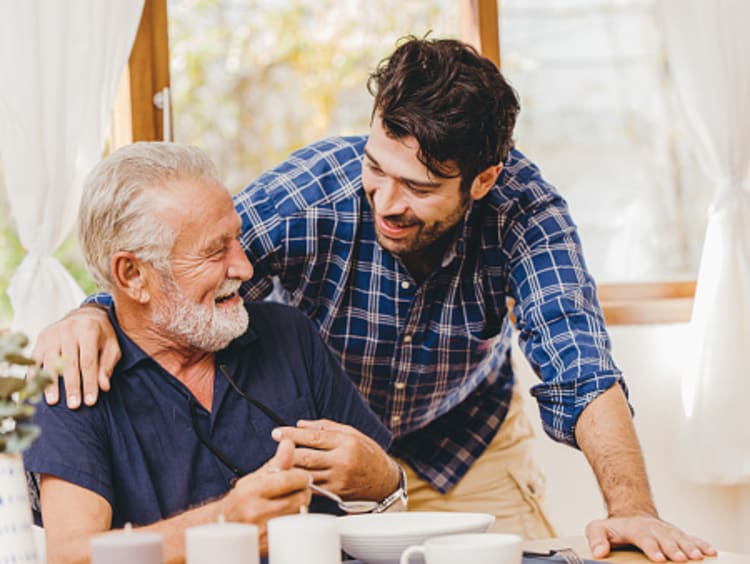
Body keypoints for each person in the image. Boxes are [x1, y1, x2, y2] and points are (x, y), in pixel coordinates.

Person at [34, 37, 715, 562]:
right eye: (375, 168)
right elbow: (174, 264)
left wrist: (633, 508)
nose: (386, 202)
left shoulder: (524, 217)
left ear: (482, 182)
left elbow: (581, 367)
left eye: (418, 189)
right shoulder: (310, 194)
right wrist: (90, 313)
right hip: (330, 454)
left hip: (464, 441)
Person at [23, 142, 403, 563]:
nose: (244, 267)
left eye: (237, 239)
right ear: (132, 275)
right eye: (214, 250)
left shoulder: (288, 333)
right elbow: (70, 557)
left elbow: (384, 506)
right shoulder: (74, 377)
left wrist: (386, 478)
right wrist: (227, 524)